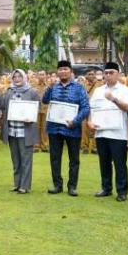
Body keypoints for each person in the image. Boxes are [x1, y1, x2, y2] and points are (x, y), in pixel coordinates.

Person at [42, 60, 90, 196]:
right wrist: (49, 87)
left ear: (71, 72)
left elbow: (86, 108)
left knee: (74, 159)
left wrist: (75, 121)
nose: (63, 71)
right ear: (57, 72)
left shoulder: (79, 88)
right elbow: (45, 101)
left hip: (72, 129)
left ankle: (72, 186)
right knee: (55, 158)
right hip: (54, 128)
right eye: (60, 69)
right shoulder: (53, 87)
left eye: (65, 69)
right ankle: (57, 185)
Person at [87, 62, 128, 202]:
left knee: (119, 163)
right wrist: (89, 121)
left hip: (118, 133)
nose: (108, 75)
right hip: (101, 132)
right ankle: (106, 188)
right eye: (106, 73)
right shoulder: (98, 90)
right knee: (104, 162)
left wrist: (114, 99)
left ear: (118, 74)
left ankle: (122, 191)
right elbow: (92, 109)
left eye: (111, 72)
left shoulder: (125, 90)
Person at [0, 69, 40, 194]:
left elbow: (36, 109)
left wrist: (31, 118)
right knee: (15, 159)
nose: (17, 79)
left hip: (25, 131)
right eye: (15, 77)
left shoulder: (32, 92)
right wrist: (0, 94)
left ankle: (25, 186)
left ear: (24, 78)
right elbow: (2, 106)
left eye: (19, 77)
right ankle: (17, 183)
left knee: (26, 159)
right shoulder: (9, 91)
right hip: (12, 131)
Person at [81, 68, 102, 154]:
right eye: (89, 74)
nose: (91, 76)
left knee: (95, 128)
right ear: (86, 75)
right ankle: (84, 147)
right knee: (84, 129)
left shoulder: (100, 85)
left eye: (92, 74)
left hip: (95, 109)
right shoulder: (82, 85)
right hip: (85, 108)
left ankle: (95, 147)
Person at [33, 70, 50, 152]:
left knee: (45, 128)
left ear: (46, 76)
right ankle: (36, 146)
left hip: (46, 109)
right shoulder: (33, 86)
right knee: (36, 128)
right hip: (36, 109)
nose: (41, 76)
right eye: (40, 74)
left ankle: (44, 146)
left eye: (43, 74)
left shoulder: (49, 86)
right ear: (37, 76)